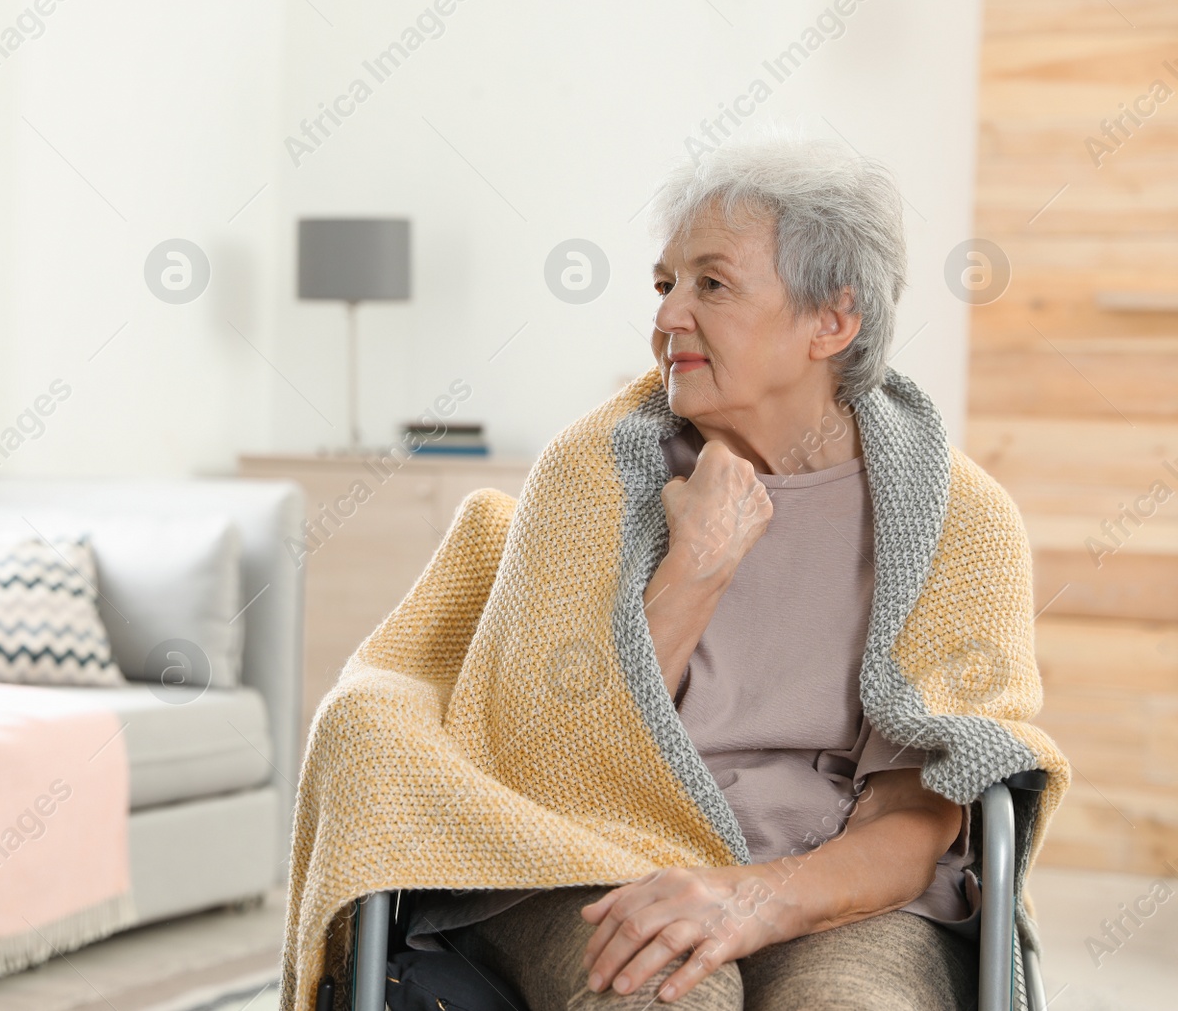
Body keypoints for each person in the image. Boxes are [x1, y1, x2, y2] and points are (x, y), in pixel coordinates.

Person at [404, 136, 982, 1010]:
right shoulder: (594, 474)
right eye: (665, 284)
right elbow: (539, 763)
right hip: (592, 859)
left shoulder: (949, 515)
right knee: (666, 997)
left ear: (832, 320)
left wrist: (752, 899)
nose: (670, 316)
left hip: (834, 885)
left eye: (711, 284)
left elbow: (914, 818)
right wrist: (698, 565)